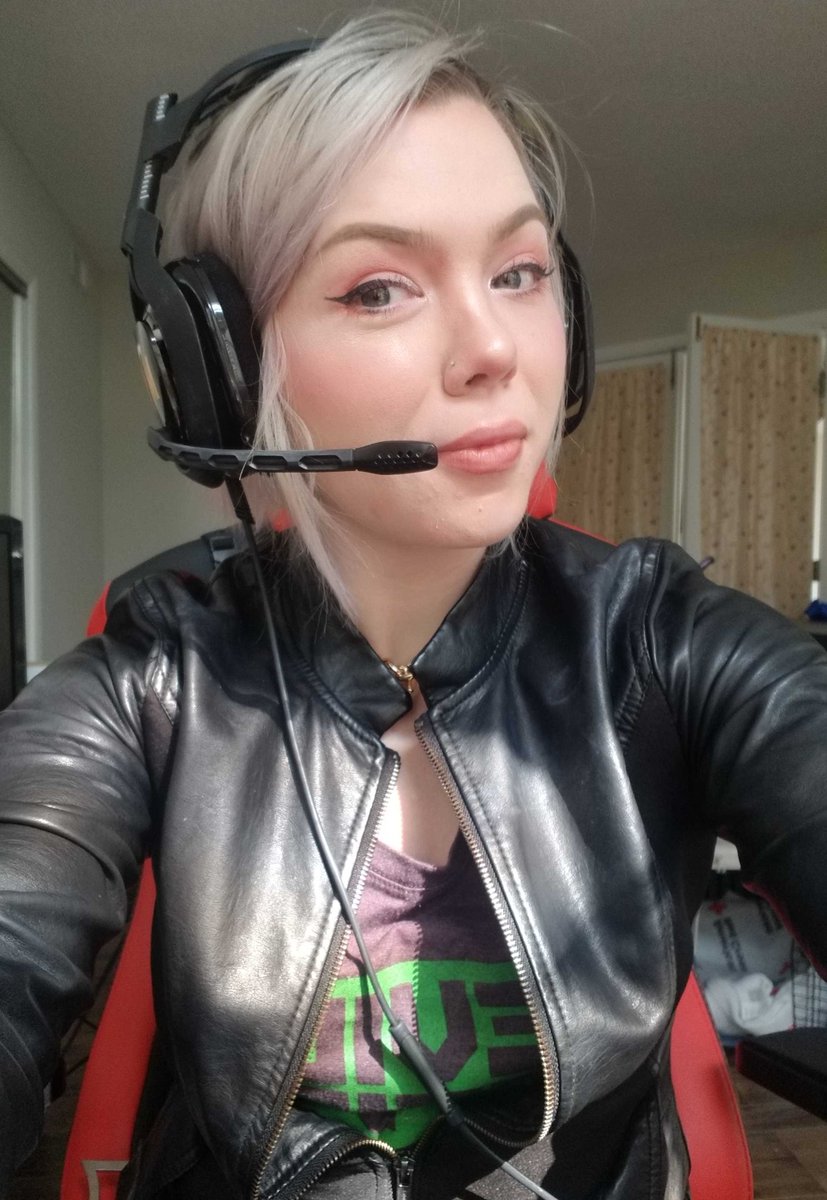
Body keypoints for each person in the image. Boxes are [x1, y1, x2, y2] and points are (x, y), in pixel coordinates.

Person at [1, 12, 826, 1200]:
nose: (495, 347)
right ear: (220, 373)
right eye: (379, 288)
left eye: (517, 271)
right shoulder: (157, 669)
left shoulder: (656, 636)